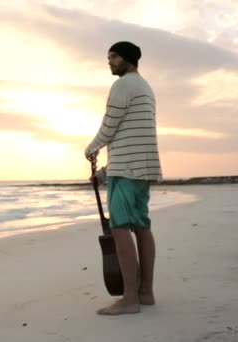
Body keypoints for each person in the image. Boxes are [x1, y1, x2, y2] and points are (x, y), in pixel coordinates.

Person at [84, 41, 162, 315]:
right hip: (140, 166)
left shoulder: (123, 85)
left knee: (119, 228)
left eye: (114, 57)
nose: (110, 62)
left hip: (128, 169)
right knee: (141, 226)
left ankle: (129, 299)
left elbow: (110, 125)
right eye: (108, 57)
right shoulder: (145, 87)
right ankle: (145, 293)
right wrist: (105, 170)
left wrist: (91, 148)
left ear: (128, 58)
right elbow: (128, 134)